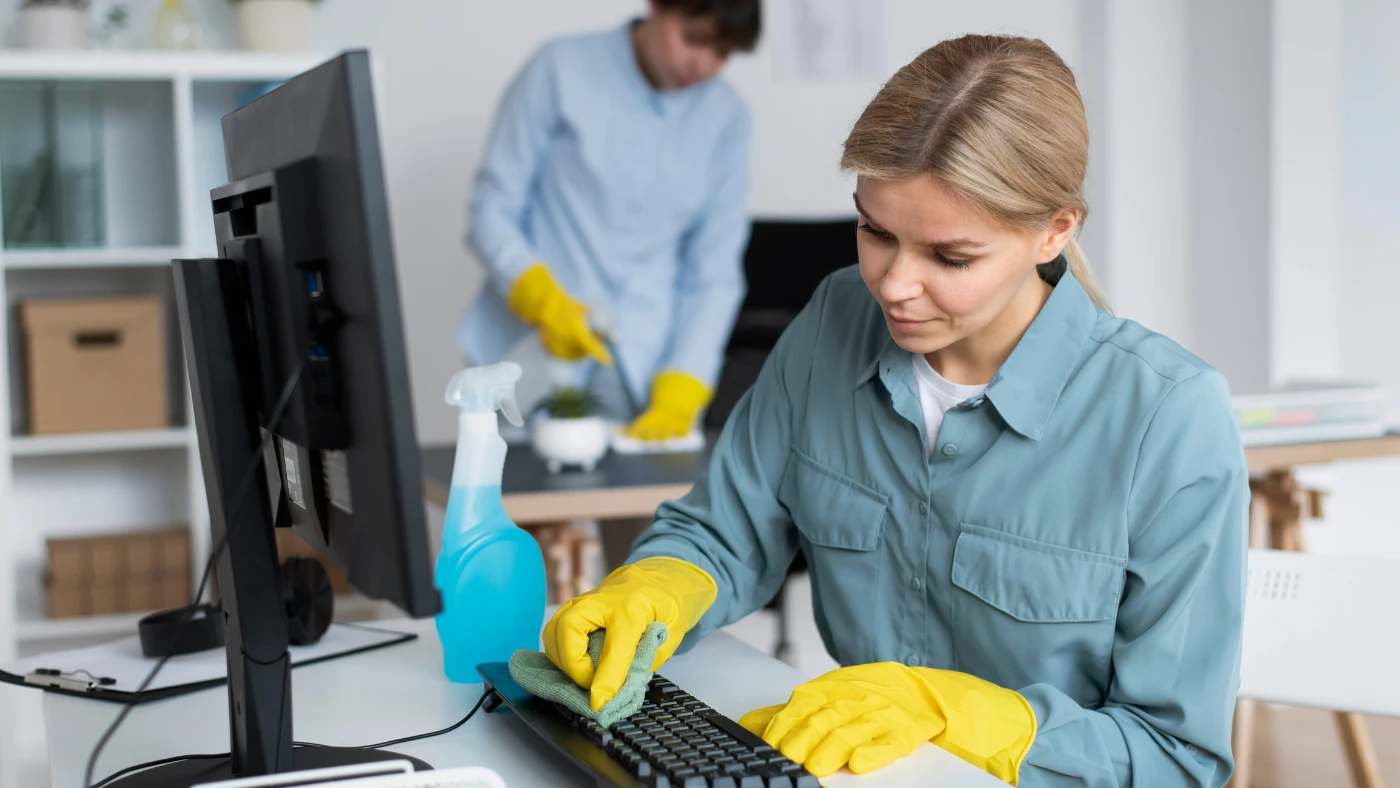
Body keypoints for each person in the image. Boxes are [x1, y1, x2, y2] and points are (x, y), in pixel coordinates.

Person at [541, 34, 1248, 787]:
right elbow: (725, 532)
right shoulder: (833, 318)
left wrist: (952, 712)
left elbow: (1178, 758)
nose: (893, 285)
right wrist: (658, 586)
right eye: (875, 231)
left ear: (1056, 229)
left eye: (950, 257)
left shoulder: (1170, 418)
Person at [459, 0, 761, 441]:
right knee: (529, 505)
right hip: (530, 355)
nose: (703, 65)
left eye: (723, 52)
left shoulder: (726, 118)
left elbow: (713, 271)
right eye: (693, 40)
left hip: (644, 364)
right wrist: (539, 296)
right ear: (658, 7)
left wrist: (685, 379)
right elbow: (492, 211)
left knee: (650, 508)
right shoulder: (559, 69)